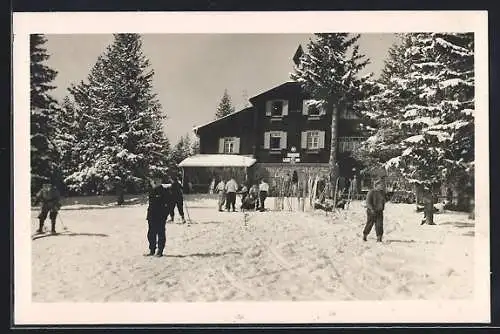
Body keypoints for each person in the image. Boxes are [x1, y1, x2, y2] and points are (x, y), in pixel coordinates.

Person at [145, 176, 170, 257]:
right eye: (152, 181)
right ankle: (152, 249)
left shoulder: (164, 191)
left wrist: (165, 215)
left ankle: (160, 250)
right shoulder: (152, 191)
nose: (153, 183)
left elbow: (168, 204)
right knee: (151, 233)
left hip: (160, 215)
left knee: (160, 233)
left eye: (155, 181)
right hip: (152, 215)